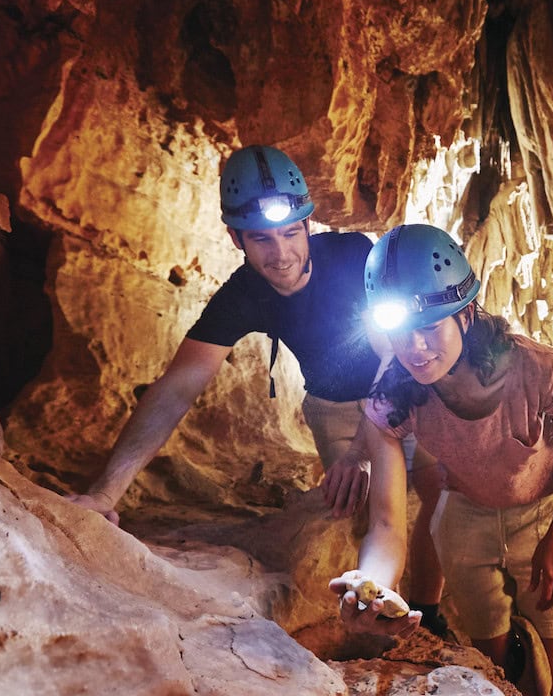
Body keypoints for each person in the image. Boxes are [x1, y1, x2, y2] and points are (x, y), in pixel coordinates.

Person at [67, 145, 448, 634]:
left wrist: (362, 449)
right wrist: (104, 493)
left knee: (437, 489)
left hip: (397, 388)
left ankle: (431, 612)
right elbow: (176, 389)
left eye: (292, 233)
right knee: (356, 505)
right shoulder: (242, 295)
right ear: (236, 238)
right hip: (331, 406)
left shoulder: (355, 258)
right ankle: (372, 603)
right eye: (262, 240)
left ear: (309, 225)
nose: (282, 253)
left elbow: (394, 356)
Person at [329, 224, 553, 696]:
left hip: (540, 510)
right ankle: (517, 658)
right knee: (492, 663)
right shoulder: (393, 398)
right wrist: (371, 584)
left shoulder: (534, 369)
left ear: (466, 314)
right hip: (465, 518)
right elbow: (388, 524)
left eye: (430, 327)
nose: (416, 349)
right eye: (401, 333)